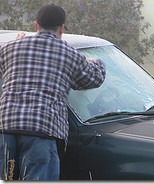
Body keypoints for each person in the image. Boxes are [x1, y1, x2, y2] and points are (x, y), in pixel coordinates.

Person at [0, 4, 106, 180]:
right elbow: (95, 78)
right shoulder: (69, 54)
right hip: (42, 133)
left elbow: (6, 71)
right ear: (61, 29)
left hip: (5, 130)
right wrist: (95, 61)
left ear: (36, 26)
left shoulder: (10, 49)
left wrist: (16, 47)